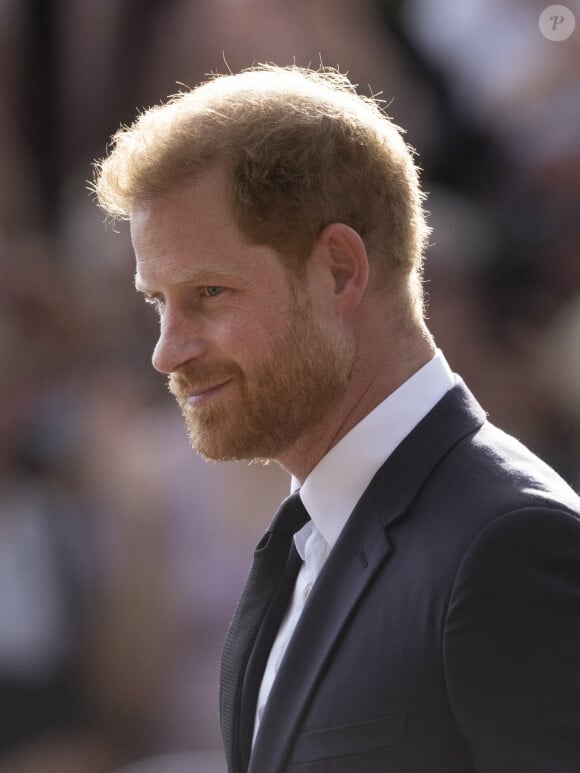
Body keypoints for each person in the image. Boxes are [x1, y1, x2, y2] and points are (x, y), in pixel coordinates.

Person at [92, 64, 580, 773]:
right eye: (157, 302)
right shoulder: (310, 533)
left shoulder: (509, 544)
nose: (168, 352)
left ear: (341, 271)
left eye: (209, 292)